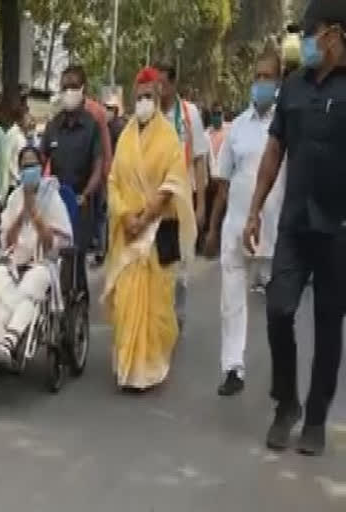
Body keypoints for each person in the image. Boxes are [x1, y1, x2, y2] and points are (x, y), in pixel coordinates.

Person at [242, 1, 346, 456]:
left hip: (339, 230)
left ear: (335, 34)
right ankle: (287, 404)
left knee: (328, 325)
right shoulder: (293, 87)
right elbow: (274, 151)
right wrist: (254, 209)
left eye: (311, 30)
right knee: (279, 310)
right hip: (294, 224)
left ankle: (317, 416)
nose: (304, 40)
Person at [102, 67, 197, 390]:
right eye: (138, 96)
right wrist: (126, 216)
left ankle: (149, 369)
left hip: (155, 232)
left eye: (148, 96)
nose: (143, 101)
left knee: (156, 300)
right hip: (126, 232)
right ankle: (128, 368)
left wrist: (145, 219)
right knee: (127, 299)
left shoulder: (169, 137)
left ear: (157, 97)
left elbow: (173, 182)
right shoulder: (125, 135)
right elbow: (114, 180)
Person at [205, 51, 285, 397]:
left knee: (282, 311)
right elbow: (223, 182)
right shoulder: (237, 127)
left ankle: (283, 374)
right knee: (232, 303)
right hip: (236, 228)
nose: (261, 83)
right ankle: (232, 368)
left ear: (279, 82)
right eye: (258, 76)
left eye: (267, 77)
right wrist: (212, 226)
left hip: (277, 233)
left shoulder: (287, 125)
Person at [0, 146, 73, 377]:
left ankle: (10, 341)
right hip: (16, 262)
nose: (29, 170)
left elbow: (54, 243)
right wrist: (22, 213)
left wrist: (35, 213)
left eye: (33, 165)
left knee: (34, 282)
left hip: (43, 263)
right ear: (19, 171)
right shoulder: (14, 197)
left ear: (41, 167)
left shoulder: (52, 196)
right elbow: (7, 240)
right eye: (25, 166)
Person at [154, 63, 210, 330]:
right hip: (154, 202)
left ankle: (178, 314)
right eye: (156, 84)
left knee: (181, 266)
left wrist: (201, 206)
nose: (159, 90)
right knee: (157, 263)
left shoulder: (189, 115)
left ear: (174, 85)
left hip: (182, 201)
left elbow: (200, 161)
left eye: (164, 84)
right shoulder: (149, 113)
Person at [41, 65, 104, 279]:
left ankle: (80, 302)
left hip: (81, 202)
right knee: (54, 259)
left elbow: (98, 166)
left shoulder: (91, 126)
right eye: (65, 87)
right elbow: (40, 161)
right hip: (56, 203)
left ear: (83, 90)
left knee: (76, 261)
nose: (69, 91)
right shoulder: (53, 126)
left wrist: (86, 194)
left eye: (73, 86)